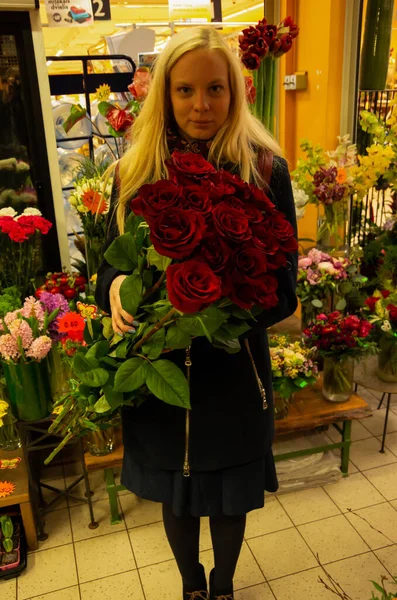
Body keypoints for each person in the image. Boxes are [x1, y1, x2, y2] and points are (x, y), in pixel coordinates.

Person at [95, 26, 297, 600]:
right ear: (164, 94)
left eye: (215, 89)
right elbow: (108, 270)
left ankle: (225, 587)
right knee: (177, 494)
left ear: (236, 93)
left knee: (230, 494)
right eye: (185, 90)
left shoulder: (263, 169)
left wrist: (223, 301)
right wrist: (116, 289)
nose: (201, 105)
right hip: (159, 372)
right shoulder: (133, 172)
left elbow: (284, 293)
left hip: (235, 374)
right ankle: (190, 588)